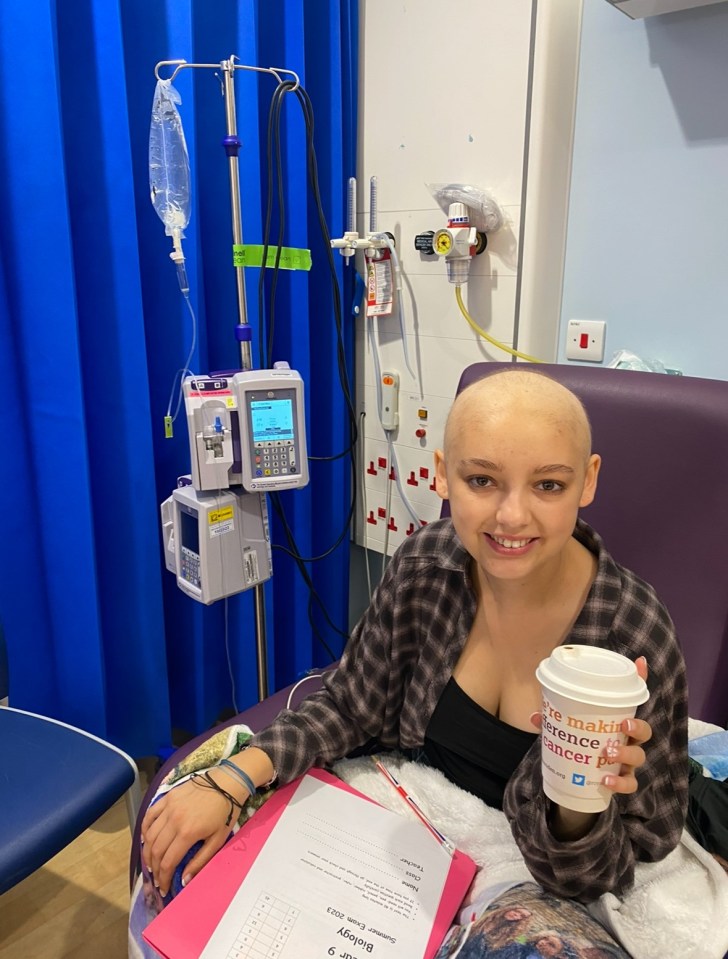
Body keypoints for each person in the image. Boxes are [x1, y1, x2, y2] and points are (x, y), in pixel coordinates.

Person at [142, 368, 688, 904]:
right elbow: (353, 705)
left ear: (587, 480)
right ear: (443, 475)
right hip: (411, 842)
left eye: (549, 484)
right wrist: (234, 778)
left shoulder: (633, 635)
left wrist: (580, 804)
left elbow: (630, 855)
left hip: (537, 880)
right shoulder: (426, 568)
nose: (513, 515)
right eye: (482, 480)